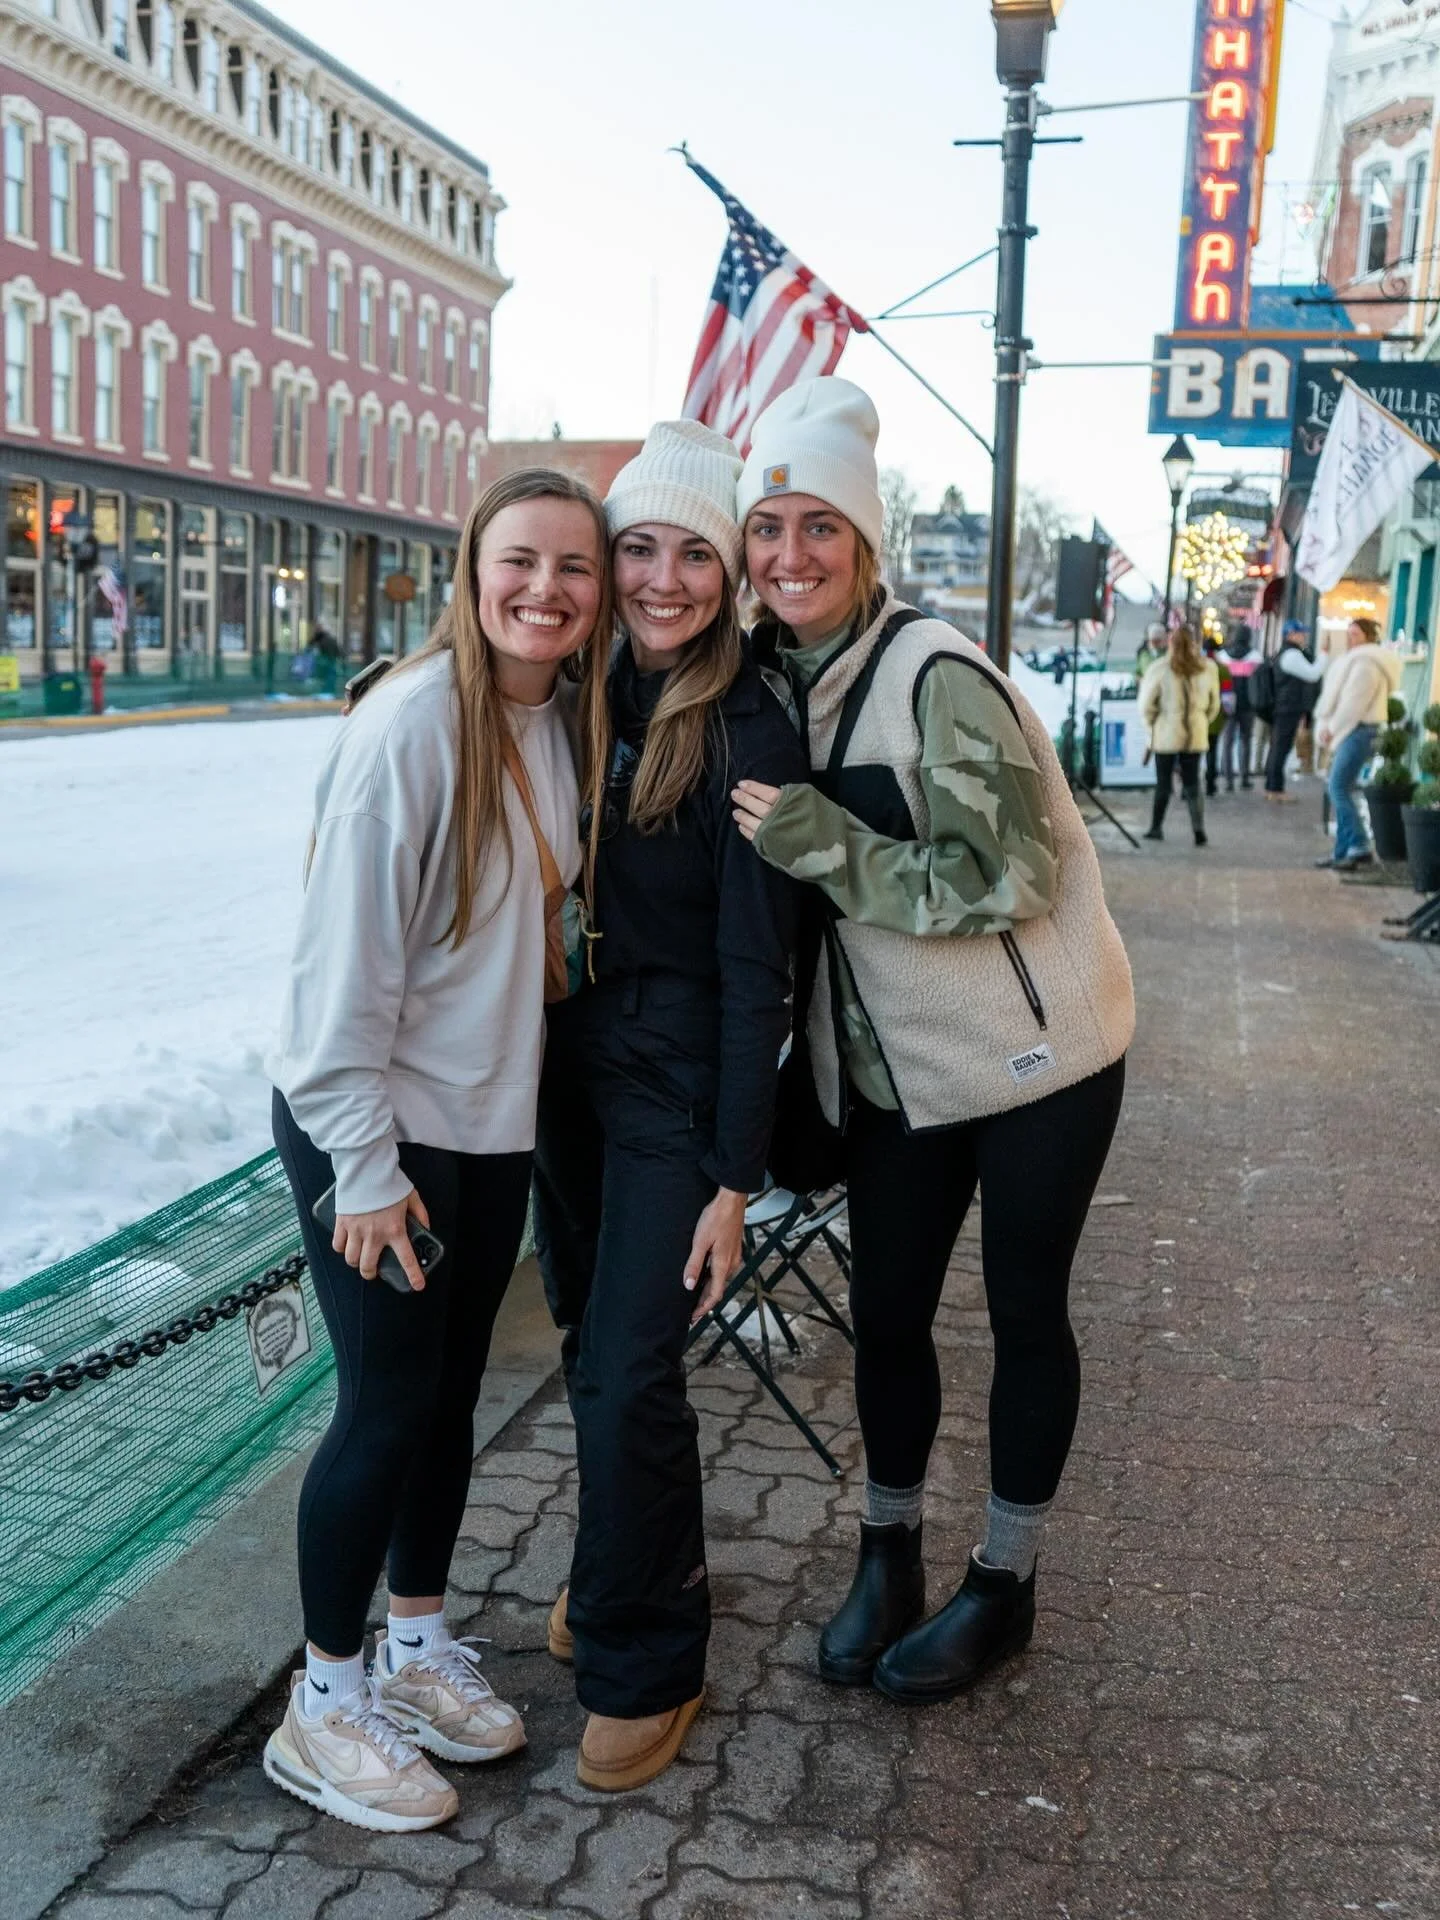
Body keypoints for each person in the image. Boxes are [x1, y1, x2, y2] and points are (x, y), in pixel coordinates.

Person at [730, 376, 1135, 1705]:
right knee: (890, 1314)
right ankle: (889, 1553)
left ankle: (1005, 1585)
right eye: (768, 526)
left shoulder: (936, 671)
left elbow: (1005, 877)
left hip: (1036, 1059)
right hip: (897, 1069)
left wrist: (818, 840)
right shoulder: (769, 679)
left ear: (866, 543)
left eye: (818, 529)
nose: (789, 554)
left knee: (1024, 1314)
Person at [264, 470, 611, 1832]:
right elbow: (331, 977)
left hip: (480, 1123)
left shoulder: (557, 723)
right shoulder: (413, 726)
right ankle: (325, 1703)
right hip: (379, 1130)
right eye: (518, 562)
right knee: (386, 1408)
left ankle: (411, 1649)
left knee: (448, 1399)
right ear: (472, 573)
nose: (546, 591)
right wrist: (361, 1160)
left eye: (573, 570)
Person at [532, 422, 805, 1789]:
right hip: (562, 1061)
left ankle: (654, 1652)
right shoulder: (581, 686)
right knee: (592, 1342)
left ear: (730, 572)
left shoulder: (749, 721)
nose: (660, 578)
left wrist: (732, 1177)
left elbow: (763, 965)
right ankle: (615, 1566)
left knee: (636, 1363)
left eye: (693, 552)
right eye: (639, 547)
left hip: (675, 1075)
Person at [1313, 616, 1402, 872]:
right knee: (1340, 788)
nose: (1351, 638)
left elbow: (1354, 702)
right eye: (1349, 633)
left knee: (1338, 787)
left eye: (1356, 634)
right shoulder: (1356, 661)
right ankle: (1343, 851)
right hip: (1355, 730)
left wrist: (1332, 729)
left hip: (1359, 730)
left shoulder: (1367, 663)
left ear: (1368, 636)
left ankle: (1360, 846)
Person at [1139, 624, 1222, 846]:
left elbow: (1146, 705)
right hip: (1195, 733)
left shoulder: (1160, 668)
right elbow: (1214, 705)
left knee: (1163, 783)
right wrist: (1202, 720)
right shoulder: (1208, 668)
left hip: (1167, 732)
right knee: (1193, 784)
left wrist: (1152, 726)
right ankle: (1198, 831)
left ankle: (1156, 827)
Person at [1264, 622, 1326, 801]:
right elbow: (1313, 673)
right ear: (1290, 634)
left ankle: (1273, 787)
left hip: (1284, 705)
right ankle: (1275, 789)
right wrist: (1324, 654)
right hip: (1287, 707)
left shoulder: (1286, 653)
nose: (1304, 636)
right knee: (1281, 748)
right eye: (1300, 633)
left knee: (1278, 747)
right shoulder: (1292, 655)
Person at [1220, 626, 1259, 791]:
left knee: (1227, 742)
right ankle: (1244, 777)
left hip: (1227, 704)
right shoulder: (1255, 657)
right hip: (1247, 704)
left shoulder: (1222, 657)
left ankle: (1228, 780)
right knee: (1245, 740)